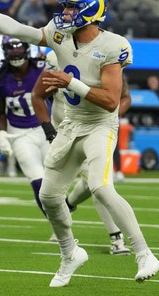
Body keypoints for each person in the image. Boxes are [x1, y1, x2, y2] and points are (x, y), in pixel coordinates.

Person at [0, 0, 159, 287]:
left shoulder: (112, 45)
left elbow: (111, 101)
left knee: (100, 187)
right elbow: (22, 30)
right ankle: (70, 252)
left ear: (89, 11)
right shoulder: (61, 34)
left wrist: (68, 82)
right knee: (49, 196)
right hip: (70, 124)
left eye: (71, 7)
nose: (65, 12)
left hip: (100, 125)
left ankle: (144, 253)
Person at [41, 50, 132, 255]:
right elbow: (38, 95)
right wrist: (48, 129)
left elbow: (124, 97)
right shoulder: (57, 57)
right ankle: (112, 235)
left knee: (97, 183)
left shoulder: (104, 60)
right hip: (65, 134)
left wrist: (111, 117)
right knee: (89, 184)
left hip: (94, 131)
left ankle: (114, 235)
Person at [0, 36, 51, 213]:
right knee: (38, 181)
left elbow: (58, 98)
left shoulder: (41, 68)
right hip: (19, 133)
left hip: (46, 129)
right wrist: (2, 135)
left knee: (55, 182)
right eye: (10, 48)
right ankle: (59, 228)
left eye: (18, 47)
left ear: (27, 48)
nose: (15, 51)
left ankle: (66, 210)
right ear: (4, 50)